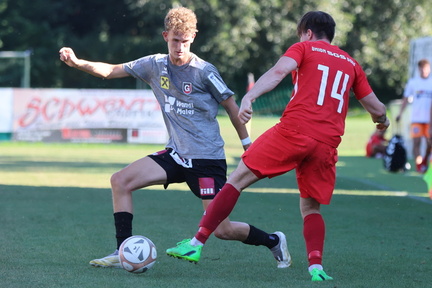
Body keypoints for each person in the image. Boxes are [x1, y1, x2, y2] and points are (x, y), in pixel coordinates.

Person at [59, 7, 290, 269]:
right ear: (165, 36)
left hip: (207, 160)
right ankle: (122, 249)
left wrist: (248, 145)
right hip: (176, 154)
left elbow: (231, 107)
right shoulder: (154, 65)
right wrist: (77, 63)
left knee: (222, 230)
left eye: (185, 41)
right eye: (175, 40)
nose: (180, 47)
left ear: (193, 38)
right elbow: (111, 71)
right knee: (120, 181)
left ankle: (273, 240)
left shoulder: (204, 71)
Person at [166, 11, 390, 282]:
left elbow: (279, 71)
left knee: (236, 180)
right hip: (327, 144)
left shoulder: (304, 48)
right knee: (310, 208)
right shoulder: (352, 64)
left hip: (294, 131)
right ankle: (316, 268)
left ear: (307, 32)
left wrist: (250, 97)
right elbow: (376, 107)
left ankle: (196, 243)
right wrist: (382, 122)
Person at [396, 59, 432, 173]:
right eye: (421, 69)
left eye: (425, 68)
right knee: (416, 142)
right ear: (419, 69)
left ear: (429, 69)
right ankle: (419, 165)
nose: (423, 71)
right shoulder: (413, 82)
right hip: (416, 118)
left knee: (429, 143)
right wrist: (400, 113)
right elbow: (406, 98)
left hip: (429, 120)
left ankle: (424, 160)